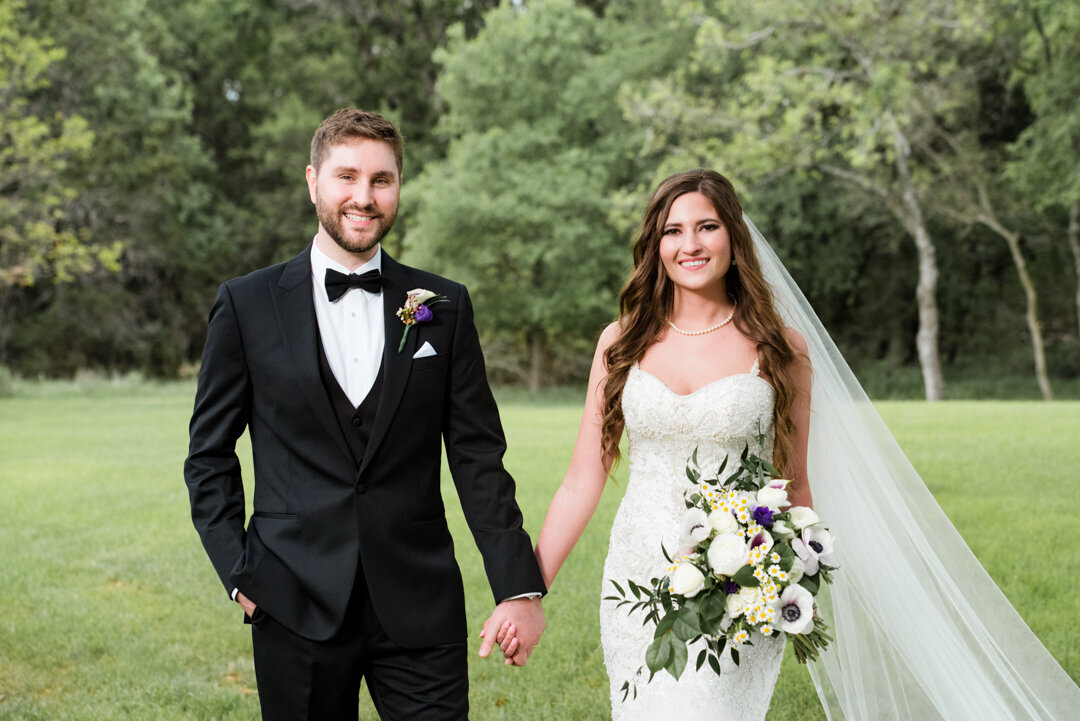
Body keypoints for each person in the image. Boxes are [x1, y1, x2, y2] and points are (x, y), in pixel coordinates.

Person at [513, 169, 1080, 720]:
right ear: (655, 244)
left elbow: (792, 483)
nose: (691, 244)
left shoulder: (780, 348)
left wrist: (782, 568)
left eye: (707, 227)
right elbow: (582, 479)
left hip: (737, 579)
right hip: (636, 578)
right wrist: (526, 592)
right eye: (673, 230)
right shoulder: (620, 342)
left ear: (735, 237)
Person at [183, 108, 545, 721]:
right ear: (312, 182)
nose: (364, 196)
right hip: (290, 598)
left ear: (398, 186)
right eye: (346, 176)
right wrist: (241, 576)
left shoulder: (443, 305)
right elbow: (209, 455)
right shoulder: (246, 304)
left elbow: (478, 455)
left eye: (382, 180)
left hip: (418, 599)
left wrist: (517, 584)